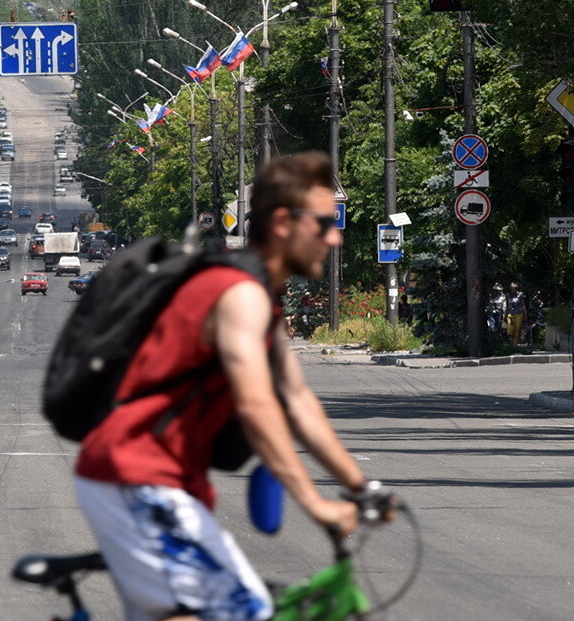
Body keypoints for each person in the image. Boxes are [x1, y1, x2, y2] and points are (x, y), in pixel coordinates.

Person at [74, 152, 374, 621]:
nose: (334, 237)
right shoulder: (238, 294)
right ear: (281, 222)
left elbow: (296, 399)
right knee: (243, 608)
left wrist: (361, 486)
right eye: (323, 223)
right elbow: (258, 407)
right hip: (136, 476)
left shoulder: (256, 295)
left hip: (160, 482)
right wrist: (315, 502)